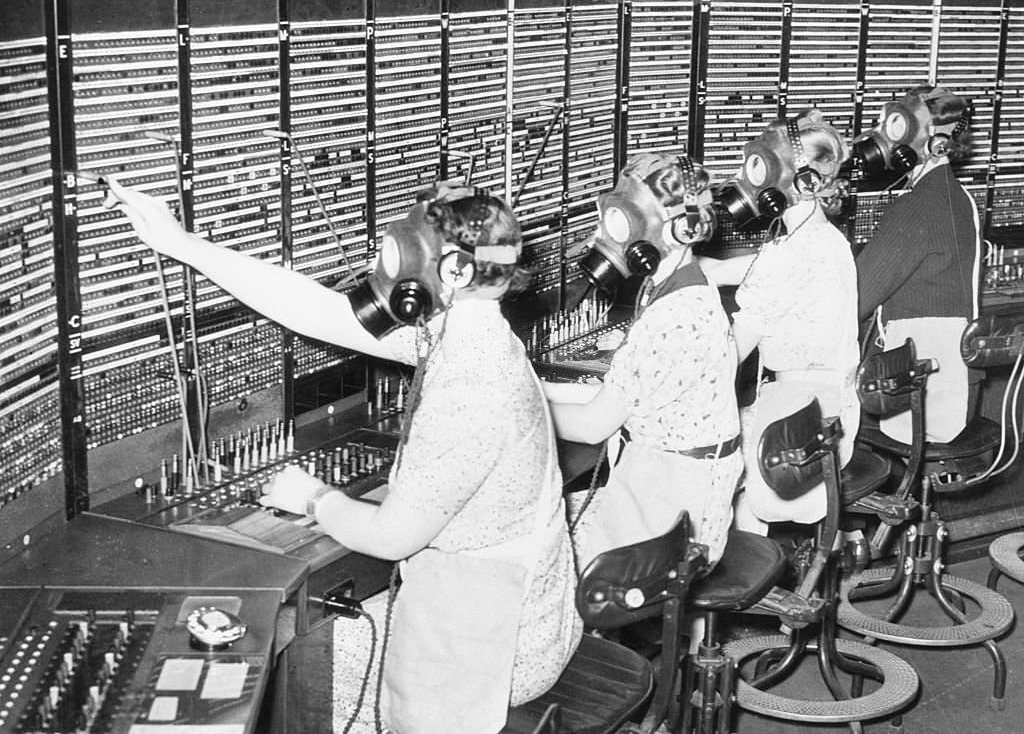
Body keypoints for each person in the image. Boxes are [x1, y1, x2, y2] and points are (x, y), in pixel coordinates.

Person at [104, 177, 582, 733]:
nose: (385, 266)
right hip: (512, 610)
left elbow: (389, 539)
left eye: (398, 252)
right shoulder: (474, 329)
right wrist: (181, 243)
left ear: (451, 271)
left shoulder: (471, 380)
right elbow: (319, 311)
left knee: (292, 644)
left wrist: (312, 496)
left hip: (498, 651)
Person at [544, 152, 743, 572]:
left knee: (548, 565)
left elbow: (593, 425)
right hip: (688, 491)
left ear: (680, 228)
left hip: (670, 511)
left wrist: (517, 403)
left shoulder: (670, 318)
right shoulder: (692, 285)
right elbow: (625, 392)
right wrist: (535, 384)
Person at [705, 109, 859, 534]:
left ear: (801, 181)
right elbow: (771, 268)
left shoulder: (786, 254)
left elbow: (728, 356)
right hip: (831, 413)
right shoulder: (828, 238)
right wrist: (711, 270)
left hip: (795, 429)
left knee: (703, 462)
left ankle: (742, 579)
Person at [853, 85, 980, 444]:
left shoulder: (916, 206)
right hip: (951, 385)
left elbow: (855, 298)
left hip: (916, 398)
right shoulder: (958, 197)